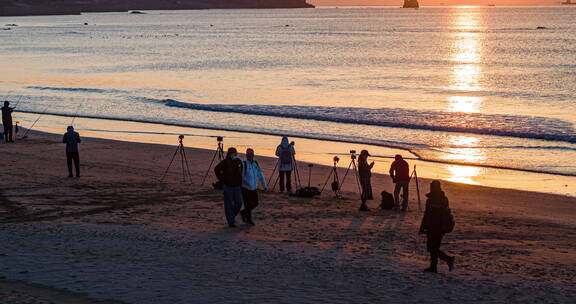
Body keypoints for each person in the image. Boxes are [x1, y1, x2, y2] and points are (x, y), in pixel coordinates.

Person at [419, 180, 455, 273]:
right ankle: (433, 267)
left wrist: (422, 227)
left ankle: (447, 260)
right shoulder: (444, 199)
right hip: (439, 226)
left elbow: (427, 215)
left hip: (434, 226)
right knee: (434, 247)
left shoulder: (431, 200)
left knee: (432, 248)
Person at [214, 147, 244, 228]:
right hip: (228, 186)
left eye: (236, 153)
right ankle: (231, 221)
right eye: (234, 153)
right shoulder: (225, 162)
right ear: (230, 154)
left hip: (237, 186)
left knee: (239, 202)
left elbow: (242, 170)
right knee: (228, 204)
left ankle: (232, 216)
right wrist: (222, 180)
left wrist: (240, 180)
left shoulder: (238, 161)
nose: (236, 154)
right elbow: (216, 169)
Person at [240, 148, 267, 226]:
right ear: (246, 155)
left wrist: (264, 185)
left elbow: (260, 174)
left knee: (255, 203)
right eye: (248, 154)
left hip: (254, 188)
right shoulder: (244, 164)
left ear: (254, 155)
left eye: (251, 154)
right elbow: (241, 176)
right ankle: (249, 219)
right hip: (245, 188)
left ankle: (243, 213)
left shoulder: (255, 163)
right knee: (247, 204)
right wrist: (246, 183)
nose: (250, 156)